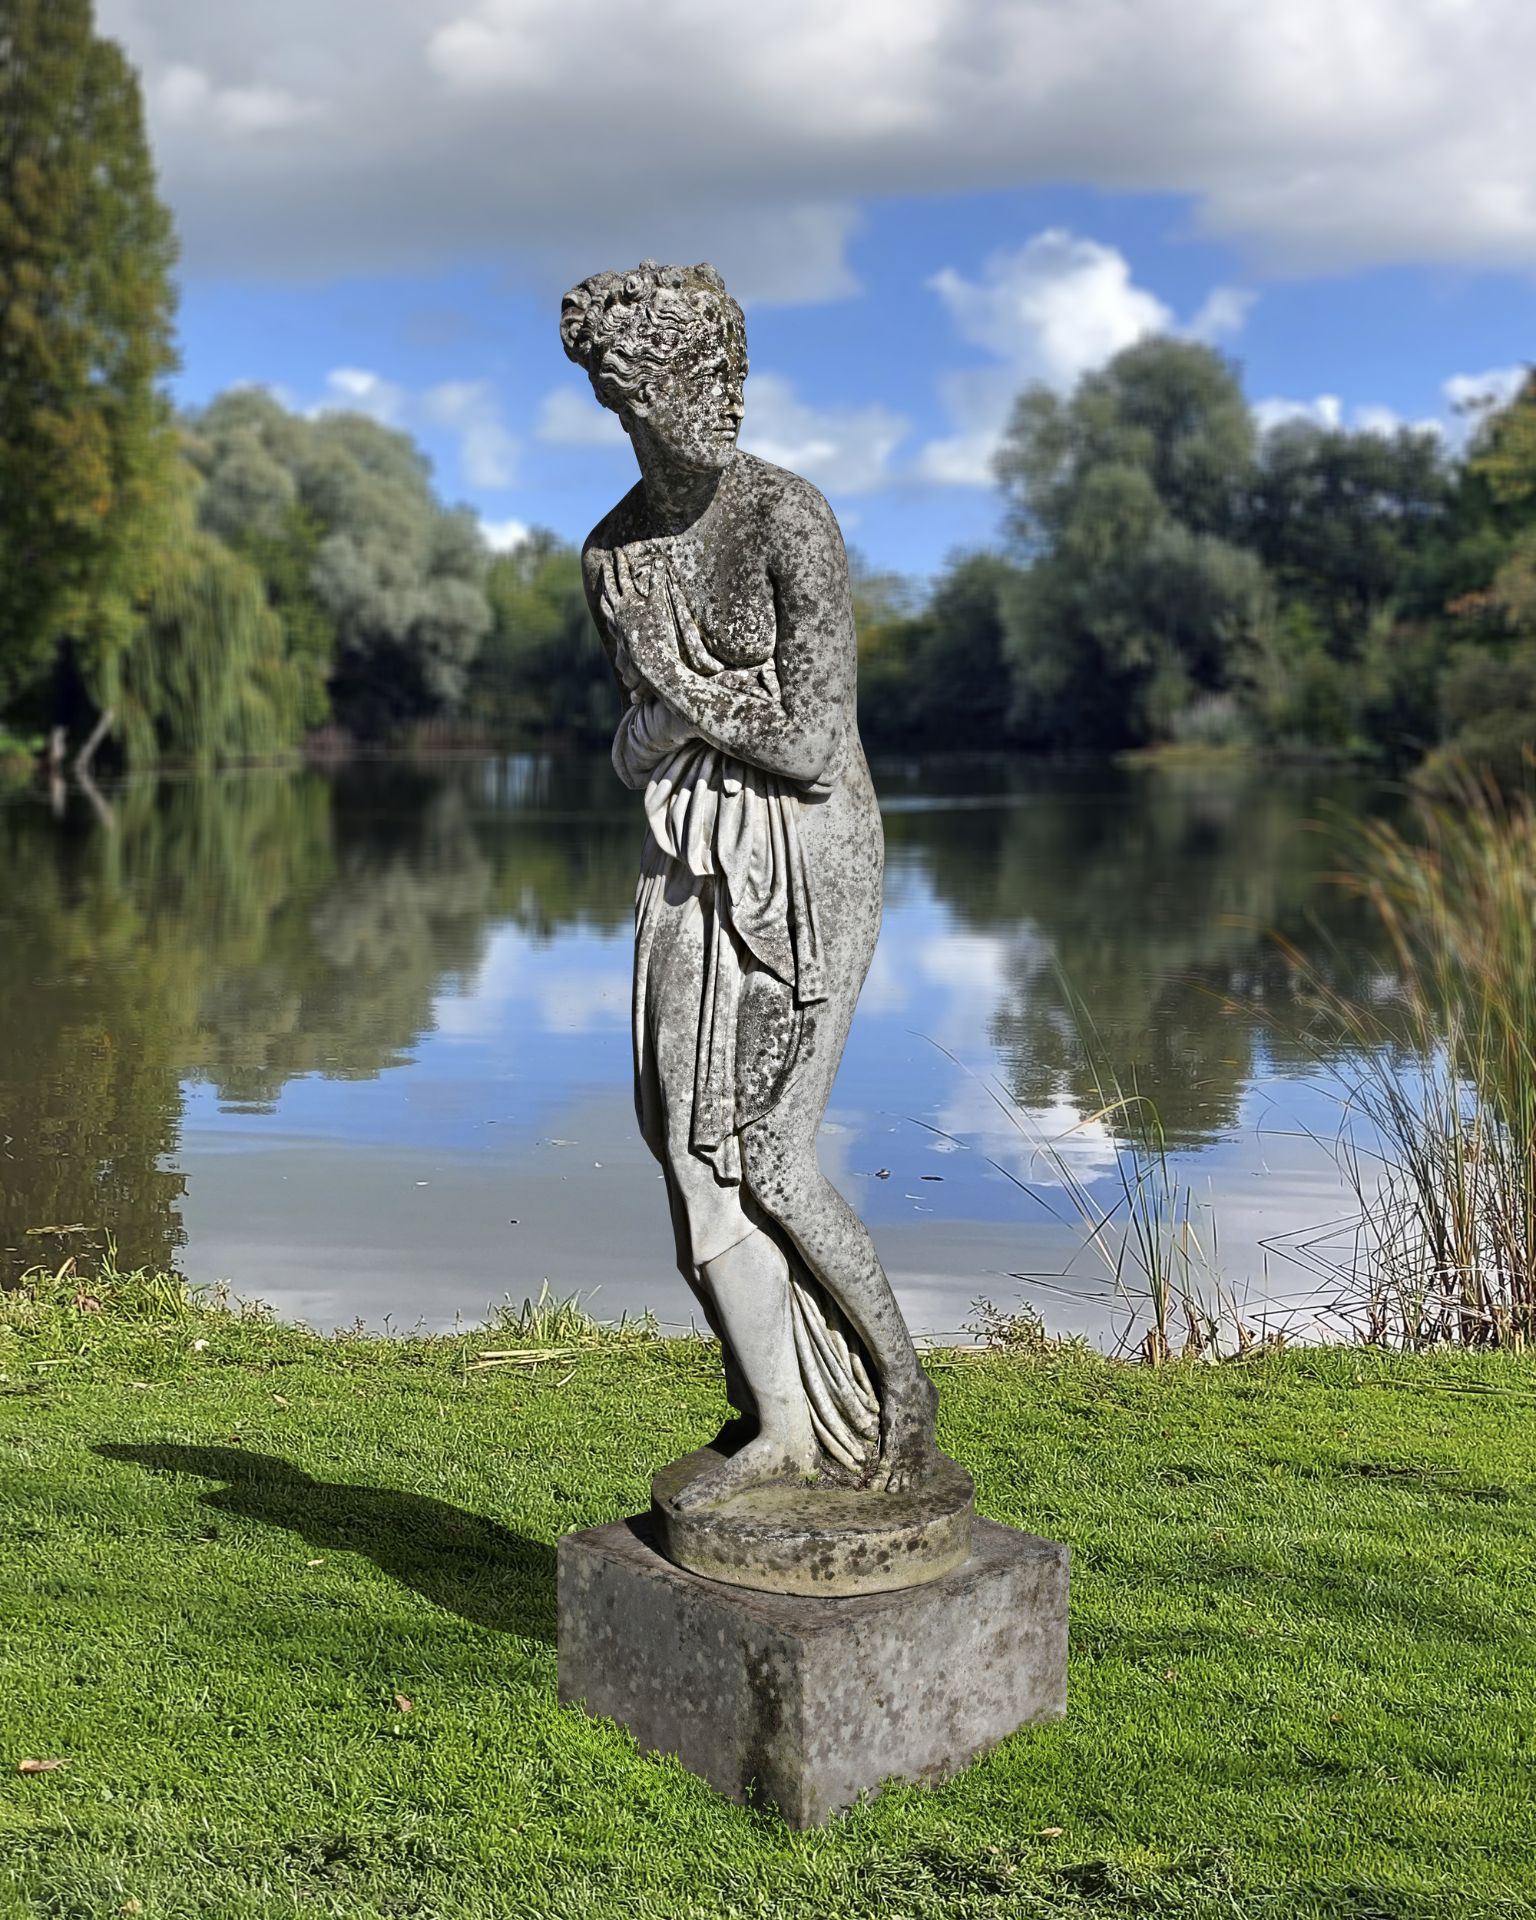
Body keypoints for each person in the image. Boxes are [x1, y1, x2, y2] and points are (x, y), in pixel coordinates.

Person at [563, 261, 938, 1508]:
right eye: (690, 376)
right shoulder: (614, 551)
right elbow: (628, 749)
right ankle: (779, 1423)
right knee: (686, 1151)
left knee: (772, 1151)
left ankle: (902, 1390)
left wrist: (681, 698)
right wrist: (676, 712)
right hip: (686, 862)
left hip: (809, 860)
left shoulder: (787, 519)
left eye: (731, 367)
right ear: (628, 396)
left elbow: (813, 744)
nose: (722, 395)